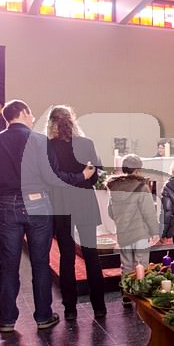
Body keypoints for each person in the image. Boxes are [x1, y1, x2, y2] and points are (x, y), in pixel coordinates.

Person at [0, 100, 96, 333]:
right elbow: (53, 178)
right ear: (23, 113)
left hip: (6, 205)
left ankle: (6, 319)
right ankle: (43, 316)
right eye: (31, 113)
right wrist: (81, 177)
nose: (33, 117)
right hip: (38, 203)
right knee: (41, 263)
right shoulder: (39, 141)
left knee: (8, 265)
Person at [46, 105, 106, 321]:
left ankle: (70, 309)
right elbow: (95, 176)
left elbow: (52, 177)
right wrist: (84, 176)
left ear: (51, 122)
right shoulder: (86, 143)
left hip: (62, 203)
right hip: (84, 200)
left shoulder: (48, 146)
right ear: (72, 120)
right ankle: (99, 307)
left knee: (67, 257)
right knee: (91, 254)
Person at [107, 155, 159, 307]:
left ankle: (126, 295)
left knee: (126, 265)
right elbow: (148, 212)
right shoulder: (141, 187)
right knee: (141, 263)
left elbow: (110, 212)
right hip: (140, 232)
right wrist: (154, 231)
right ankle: (140, 295)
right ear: (137, 170)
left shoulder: (114, 188)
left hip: (123, 233)